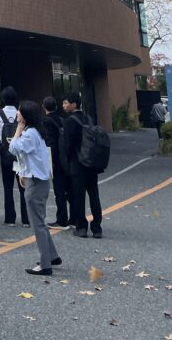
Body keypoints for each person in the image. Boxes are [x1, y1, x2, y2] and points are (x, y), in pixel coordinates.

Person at [9, 101, 62, 276]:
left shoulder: (29, 133)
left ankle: (45, 264)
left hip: (36, 182)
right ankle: (52, 256)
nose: (17, 114)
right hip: (38, 179)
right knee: (40, 221)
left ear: (25, 115)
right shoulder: (35, 131)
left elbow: (13, 148)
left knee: (37, 223)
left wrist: (18, 129)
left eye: (19, 111)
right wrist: (23, 172)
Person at [61, 92, 103, 238]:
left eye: (66, 102)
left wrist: (67, 162)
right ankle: (97, 228)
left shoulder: (69, 121)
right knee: (94, 195)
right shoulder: (89, 118)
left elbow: (67, 145)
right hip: (91, 162)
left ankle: (81, 227)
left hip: (77, 163)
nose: (63, 105)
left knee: (78, 196)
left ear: (73, 104)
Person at [0, 86, 29, 226]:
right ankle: (26, 219)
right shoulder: (21, 112)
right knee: (23, 186)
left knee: (7, 187)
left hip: (6, 152)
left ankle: (10, 219)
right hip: (20, 154)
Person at [41, 96, 69, 228]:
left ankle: (62, 219)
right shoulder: (61, 120)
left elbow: (49, 142)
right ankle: (73, 218)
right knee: (67, 188)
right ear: (56, 107)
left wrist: (49, 160)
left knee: (59, 190)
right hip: (64, 156)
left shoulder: (46, 121)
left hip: (55, 158)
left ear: (43, 107)